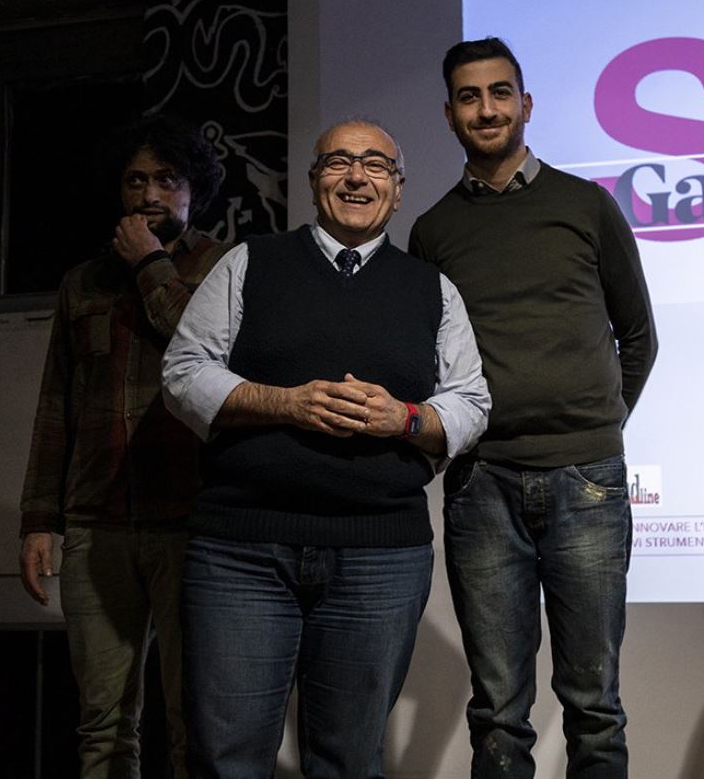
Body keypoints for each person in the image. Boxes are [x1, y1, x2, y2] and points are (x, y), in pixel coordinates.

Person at [161, 119, 490, 778]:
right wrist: (285, 402)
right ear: (313, 181)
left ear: (397, 189)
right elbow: (182, 373)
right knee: (226, 760)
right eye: (338, 162)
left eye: (375, 165)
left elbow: (471, 402)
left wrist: (403, 418)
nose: (356, 176)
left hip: (381, 555)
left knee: (349, 762)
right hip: (242, 551)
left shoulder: (432, 288)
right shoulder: (249, 263)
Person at [409, 37, 658, 778]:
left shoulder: (586, 206)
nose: (486, 109)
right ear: (449, 114)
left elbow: (638, 336)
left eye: (499, 93)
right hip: (481, 485)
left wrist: (596, 422)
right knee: (497, 712)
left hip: (587, 479)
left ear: (525, 104)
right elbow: (426, 360)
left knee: (594, 707)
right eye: (469, 96)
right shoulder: (433, 231)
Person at [19, 115, 228, 779]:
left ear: (193, 189)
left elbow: (202, 347)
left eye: (167, 179)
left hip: (192, 521)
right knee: (103, 726)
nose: (149, 194)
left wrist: (149, 265)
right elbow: (57, 403)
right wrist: (39, 519)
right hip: (96, 523)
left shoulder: (224, 268)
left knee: (195, 722)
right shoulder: (82, 283)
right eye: (136, 180)